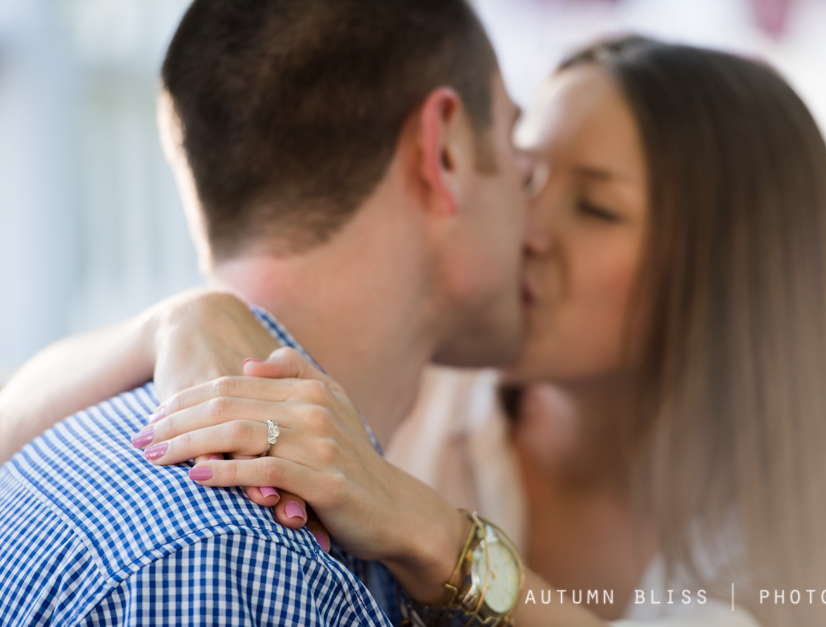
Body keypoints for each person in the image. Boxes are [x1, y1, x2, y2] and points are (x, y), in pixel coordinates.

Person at [2, 36, 826, 627]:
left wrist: (443, 542)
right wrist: (179, 316)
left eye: (594, 208)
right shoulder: (404, 379)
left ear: (734, 274)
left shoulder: (802, 560)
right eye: (523, 175)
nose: (527, 230)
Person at [0, 0, 534, 624]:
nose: (532, 194)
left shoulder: (90, 441)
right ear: (443, 152)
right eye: (513, 140)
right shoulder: (237, 556)